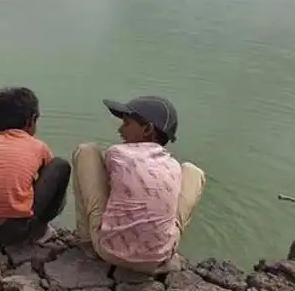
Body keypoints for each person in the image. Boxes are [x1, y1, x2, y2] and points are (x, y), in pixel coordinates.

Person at [71, 96, 206, 273]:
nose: (120, 130)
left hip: (109, 252)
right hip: (158, 258)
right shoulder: (173, 166)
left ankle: (87, 241)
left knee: (86, 151)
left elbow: (110, 189)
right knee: (194, 172)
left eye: (127, 124)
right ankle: (167, 251)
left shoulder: (117, 153)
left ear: (148, 129)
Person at [0, 87, 72, 245]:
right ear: (31, 121)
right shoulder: (38, 146)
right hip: (18, 231)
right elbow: (49, 181)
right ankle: (40, 231)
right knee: (60, 166)